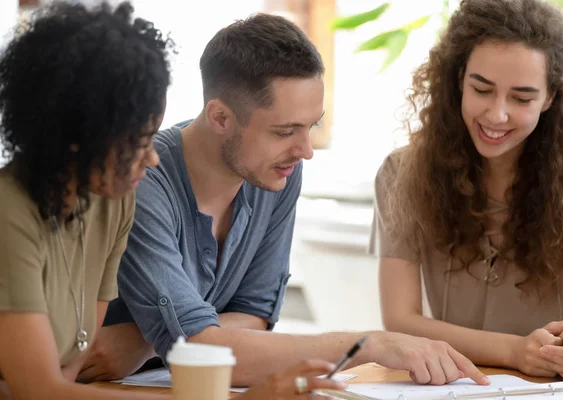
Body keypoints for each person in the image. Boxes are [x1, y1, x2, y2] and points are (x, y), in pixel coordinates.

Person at [78, 12, 490, 388]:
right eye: (285, 130)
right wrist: (367, 344)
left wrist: (150, 339)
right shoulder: (142, 181)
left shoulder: (275, 171)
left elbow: (255, 316)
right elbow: (209, 348)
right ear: (220, 117)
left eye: (312, 126)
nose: (305, 149)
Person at [0, 2, 348, 399]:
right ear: (79, 135)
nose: (150, 158)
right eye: (138, 141)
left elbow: (67, 380)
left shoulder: (112, 205)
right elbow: (42, 389)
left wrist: (149, 339)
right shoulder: (11, 213)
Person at [371, 0, 563, 383]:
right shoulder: (401, 174)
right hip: (453, 387)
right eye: (482, 89)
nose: (497, 115)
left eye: (522, 98)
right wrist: (515, 351)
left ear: (550, 98)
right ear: (459, 78)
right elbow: (399, 321)